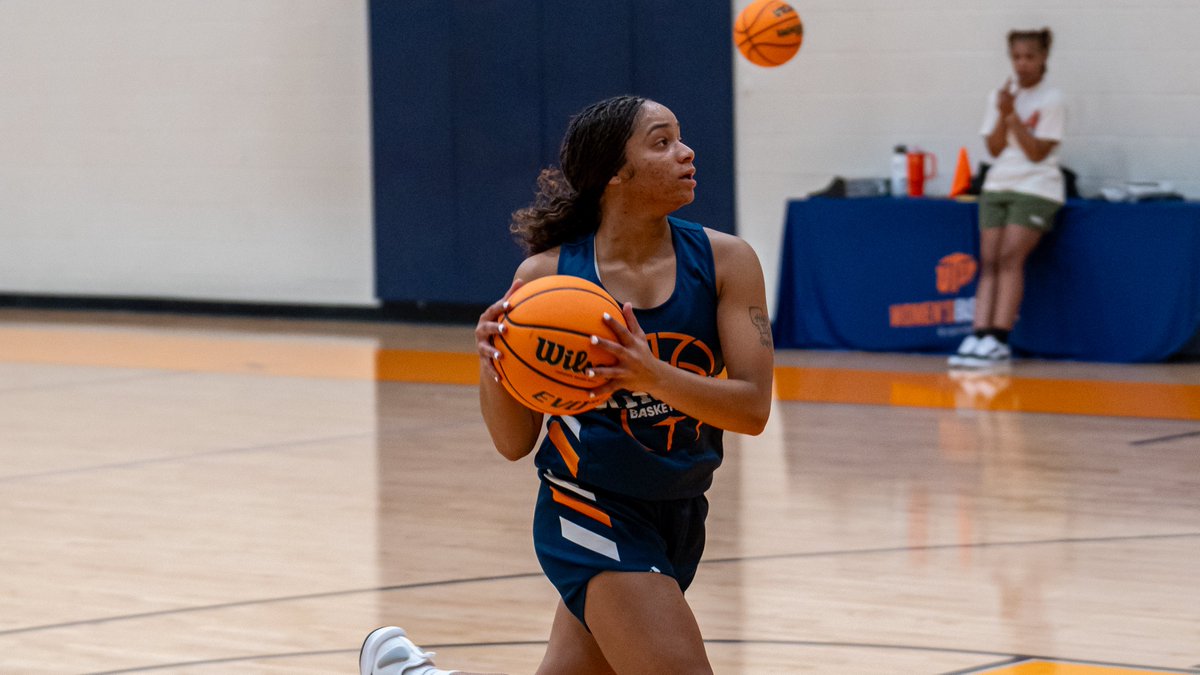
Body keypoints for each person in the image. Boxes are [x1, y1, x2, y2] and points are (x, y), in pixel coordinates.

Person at [359, 95, 775, 674]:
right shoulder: (546, 280)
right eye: (662, 142)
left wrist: (648, 372)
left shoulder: (728, 262)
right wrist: (492, 361)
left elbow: (753, 409)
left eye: (680, 138)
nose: (686, 152)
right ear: (614, 174)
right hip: (588, 507)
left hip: (680, 509)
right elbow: (512, 442)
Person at [950, 28, 1065, 368]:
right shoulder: (1000, 96)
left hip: (1035, 186)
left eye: (1030, 56)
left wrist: (1014, 115)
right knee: (990, 259)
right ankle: (979, 332)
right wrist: (1003, 111)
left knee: (1010, 258)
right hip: (998, 184)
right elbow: (995, 148)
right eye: (1016, 57)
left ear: (1044, 57)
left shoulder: (1051, 98)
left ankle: (999, 337)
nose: (1022, 63)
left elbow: (1035, 152)